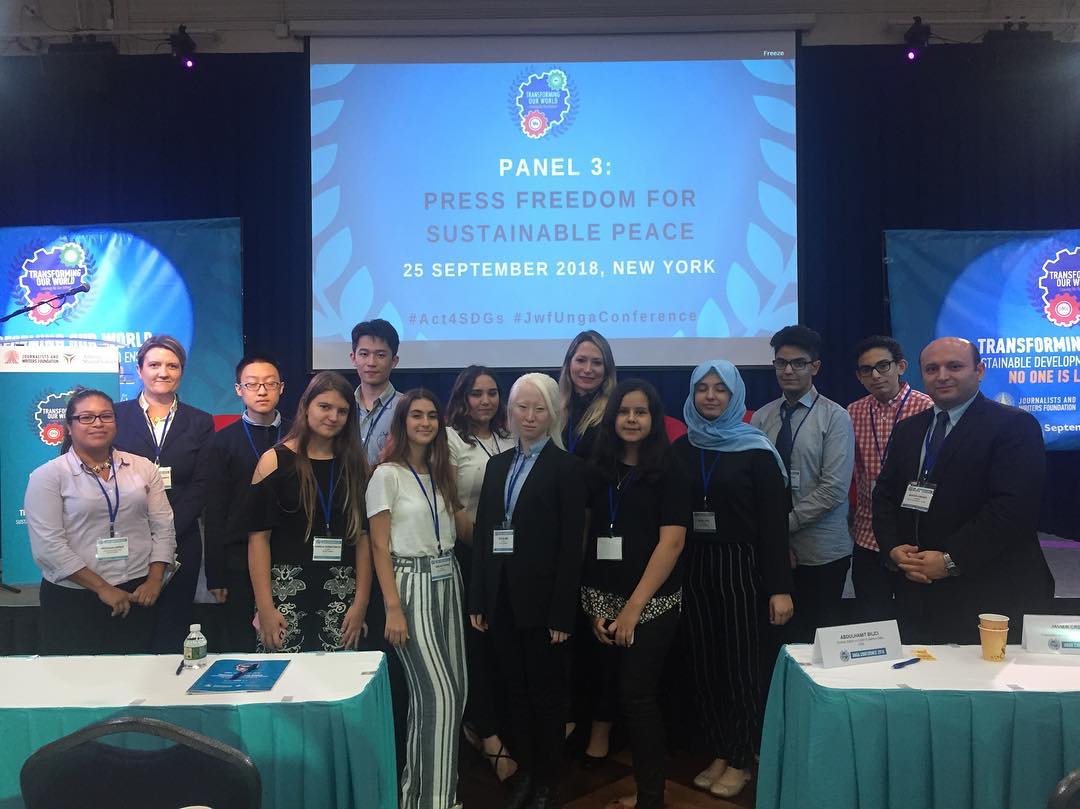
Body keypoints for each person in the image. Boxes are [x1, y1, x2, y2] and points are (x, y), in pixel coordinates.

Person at [873, 337, 1054, 644]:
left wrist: (950, 560)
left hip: (989, 592)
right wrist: (893, 548)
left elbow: (1011, 509)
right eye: (932, 369)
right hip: (918, 590)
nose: (942, 376)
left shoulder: (1014, 426)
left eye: (954, 366)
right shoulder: (909, 429)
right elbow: (885, 496)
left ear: (979, 371)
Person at [672, 361, 793, 799]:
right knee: (706, 666)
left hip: (742, 567)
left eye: (720, 389)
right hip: (694, 565)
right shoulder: (682, 448)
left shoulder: (756, 450)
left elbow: (774, 527)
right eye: (702, 388)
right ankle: (721, 749)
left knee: (742, 667)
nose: (710, 396)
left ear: (735, 395)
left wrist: (779, 588)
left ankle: (742, 757)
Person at [470, 373, 586, 809]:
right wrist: (479, 598)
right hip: (501, 602)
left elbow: (571, 548)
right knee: (514, 693)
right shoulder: (497, 465)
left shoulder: (567, 468)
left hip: (544, 607)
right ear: (510, 412)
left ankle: (547, 782)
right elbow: (485, 536)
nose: (530, 416)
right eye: (522, 407)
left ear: (553, 413)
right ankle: (525, 774)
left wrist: (562, 612)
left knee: (547, 697)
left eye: (540, 408)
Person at [580, 380, 690, 809]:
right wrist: (595, 607)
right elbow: (588, 535)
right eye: (624, 411)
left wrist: (632, 609)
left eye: (640, 412)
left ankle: (651, 799)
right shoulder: (598, 467)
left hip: (651, 604)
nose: (631, 419)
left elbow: (672, 544)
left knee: (637, 697)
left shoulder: (670, 470)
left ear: (653, 418)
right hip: (601, 602)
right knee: (609, 689)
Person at [367, 389, 468, 809]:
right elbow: (378, 546)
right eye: (417, 415)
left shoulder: (441, 472)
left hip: (448, 579)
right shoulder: (386, 475)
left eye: (432, 416)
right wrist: (393, 607)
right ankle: (435, 802)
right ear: (403, 422)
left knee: (455, 693)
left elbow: (460, 528)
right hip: (409, 582)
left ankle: (424, 796)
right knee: (438, 695)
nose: (425, 423)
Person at [25, 388, 176, 655]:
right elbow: (48, 546)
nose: (98, 423)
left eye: (106, 416)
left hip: (138, 592)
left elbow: (163, 526)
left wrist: (155, 580)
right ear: (69, 426)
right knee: (77, 677)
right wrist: (102, 588)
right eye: (86, 417)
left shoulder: (143, 468)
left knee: (138, 674)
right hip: (75, 597)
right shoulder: (48, 476)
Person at [247, 371, 370, 653]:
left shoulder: (356, 465)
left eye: (342, 411)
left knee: (340, 677)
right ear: (305, 407)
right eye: (324, 407)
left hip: (342, 590)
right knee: (283, 676)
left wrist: (360, 604)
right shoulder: (274, 461)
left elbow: (364, 538)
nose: (333, 417)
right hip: (283, 590)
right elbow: (258, 540)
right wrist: (265, 607)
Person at [751, 325, 855, 643]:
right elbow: (754, 485)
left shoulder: (835, 417)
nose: (788, 371)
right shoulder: (761, 418)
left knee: (818, 643)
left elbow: (833, 489)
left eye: (798, 363)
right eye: (781, 363)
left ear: (815, 367)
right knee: (775, 640)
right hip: (771, 553)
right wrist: (773, 539)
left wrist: (779, 528)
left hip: (821, 553)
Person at [113, 335, 214, 653]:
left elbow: (202, 483)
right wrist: (145, 531)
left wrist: (167, 529)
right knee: (129, 629)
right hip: (129, 537)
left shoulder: (200, 421)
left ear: (182, 371)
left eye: (172, 366)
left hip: (182, 537)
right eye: (154, 364)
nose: (163, 372)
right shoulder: (115, 416)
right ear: (139, 370)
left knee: (173, 627)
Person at [445, 366, 518, 782]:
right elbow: (451, 503)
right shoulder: (451, 439)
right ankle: (486, 732)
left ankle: (500, 726)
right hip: (471, 555)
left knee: (503, 644)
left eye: (492, 393)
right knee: (476, 645)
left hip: (512, 560)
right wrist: (487, 550)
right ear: (463, 398)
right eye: (477, 393)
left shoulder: (510, 436)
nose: (486, 401)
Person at [204, 355, 288, 652]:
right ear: (239, 390)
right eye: (252, 384)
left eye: (270, 384)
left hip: (287, 552)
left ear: (281, 388)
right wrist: (215, 573)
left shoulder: (296, 435)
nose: (262, 391)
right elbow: (214, 510)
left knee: (286, 637)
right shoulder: (222, 441)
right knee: (242, 641)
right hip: (237, 557)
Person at [846, 336, 932, 622]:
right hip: (867, 534)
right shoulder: (853, 412)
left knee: (914, 622)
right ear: (859, 376)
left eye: (883, 366)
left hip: (914, 540)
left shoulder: (927, 408)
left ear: (901, 367)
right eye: (866, 370)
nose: (875, 375)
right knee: (872, 619)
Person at [558, 330, 617, 459]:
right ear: (569, 364)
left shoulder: (614, 412)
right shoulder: (553, 408)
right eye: (581, 360)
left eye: (597, 363)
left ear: (607, 370)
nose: (588, 369)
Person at [351, 318, 402, 466]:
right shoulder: (343, 406)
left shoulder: (406, 407)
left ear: (394, 361)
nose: (371, 362)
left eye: (380, 355)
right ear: (353, 358)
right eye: (364, 354)